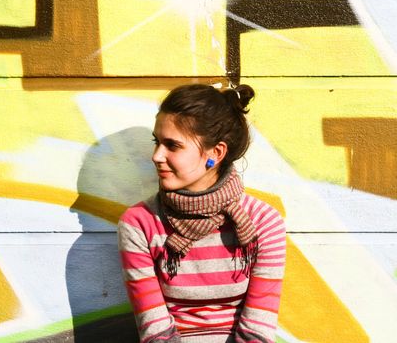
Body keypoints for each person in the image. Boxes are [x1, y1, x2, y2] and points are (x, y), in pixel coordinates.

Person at [117, 83, 286, 342]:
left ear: (215, 153)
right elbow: (156, 332)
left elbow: (257, 331)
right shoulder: (140, 223)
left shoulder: (263, 222)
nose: (156, 156)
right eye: (157, 142)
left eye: (172, 145)